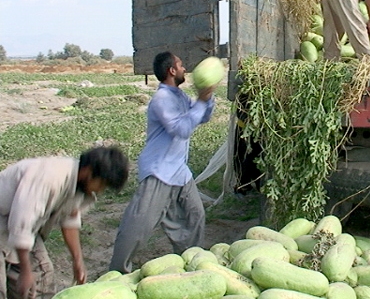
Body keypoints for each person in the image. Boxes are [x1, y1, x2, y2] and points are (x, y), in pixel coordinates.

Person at [109, 51, 216, 274]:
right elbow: (182, 129)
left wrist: (207, 97)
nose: (185, 68)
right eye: (181, 64)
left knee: (194, 215)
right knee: (139, 225)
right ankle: (117, 271)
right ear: (172, 71)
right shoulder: (162, 99)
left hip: (179, 170)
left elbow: (202, 117)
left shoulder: (179, 96)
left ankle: (190, 261)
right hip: (160, 170)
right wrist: (200, 103)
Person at [0, 146, 129, 299]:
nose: (100, 191)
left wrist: (78, 261)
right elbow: (21, 224)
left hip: (21, 226)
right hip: (10, 219)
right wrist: (25, 271)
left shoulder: (79, 186)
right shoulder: (49, 178)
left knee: (41, 282)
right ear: (88, 172)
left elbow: (70, 219)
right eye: (102, 184)